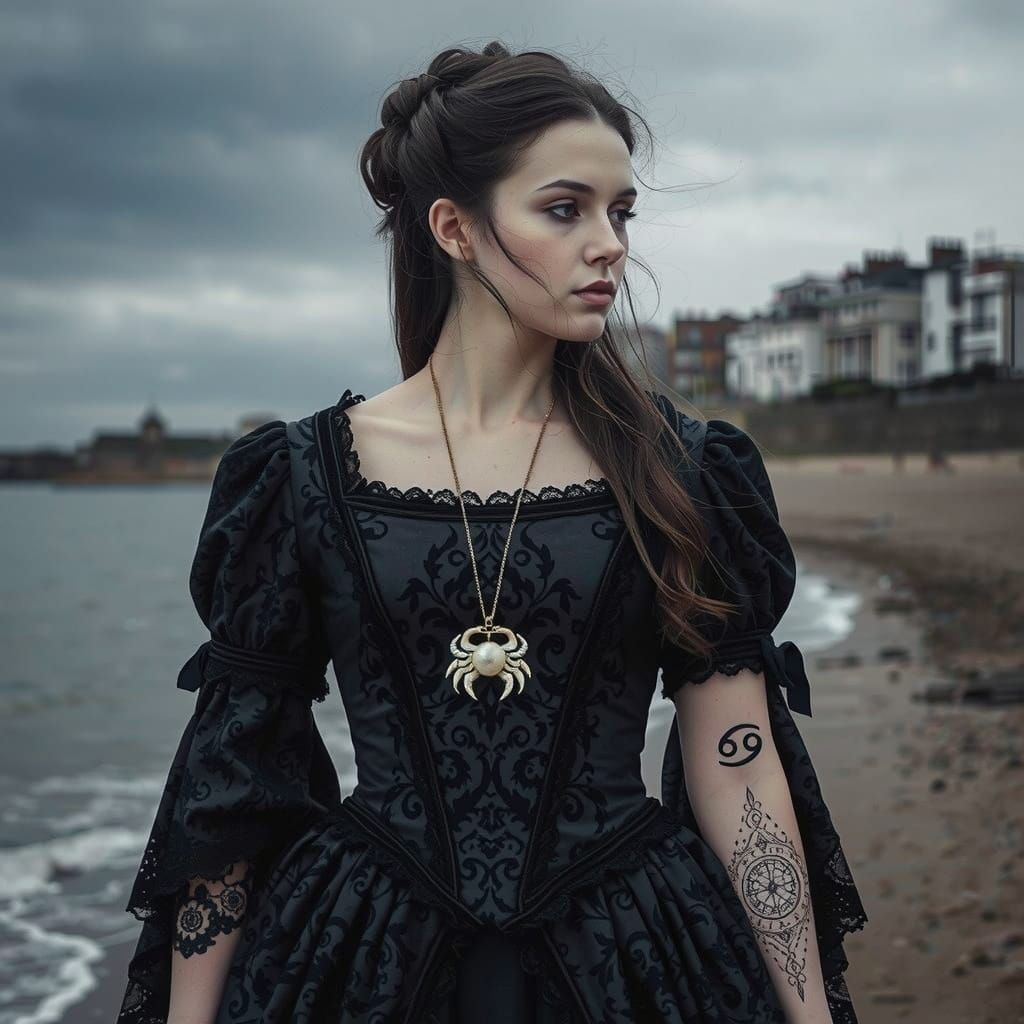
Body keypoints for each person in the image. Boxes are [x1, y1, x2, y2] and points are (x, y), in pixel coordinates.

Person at [117, 41, 867, 1024]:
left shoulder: (682, 471)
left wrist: (808, 1015)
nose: (609, 244)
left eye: (619, 212)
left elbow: (737, 762)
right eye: (566, 209)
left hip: (631, 954)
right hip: (363, 957)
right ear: (454, 229)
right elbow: (234, 790)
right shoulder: (298, 478)